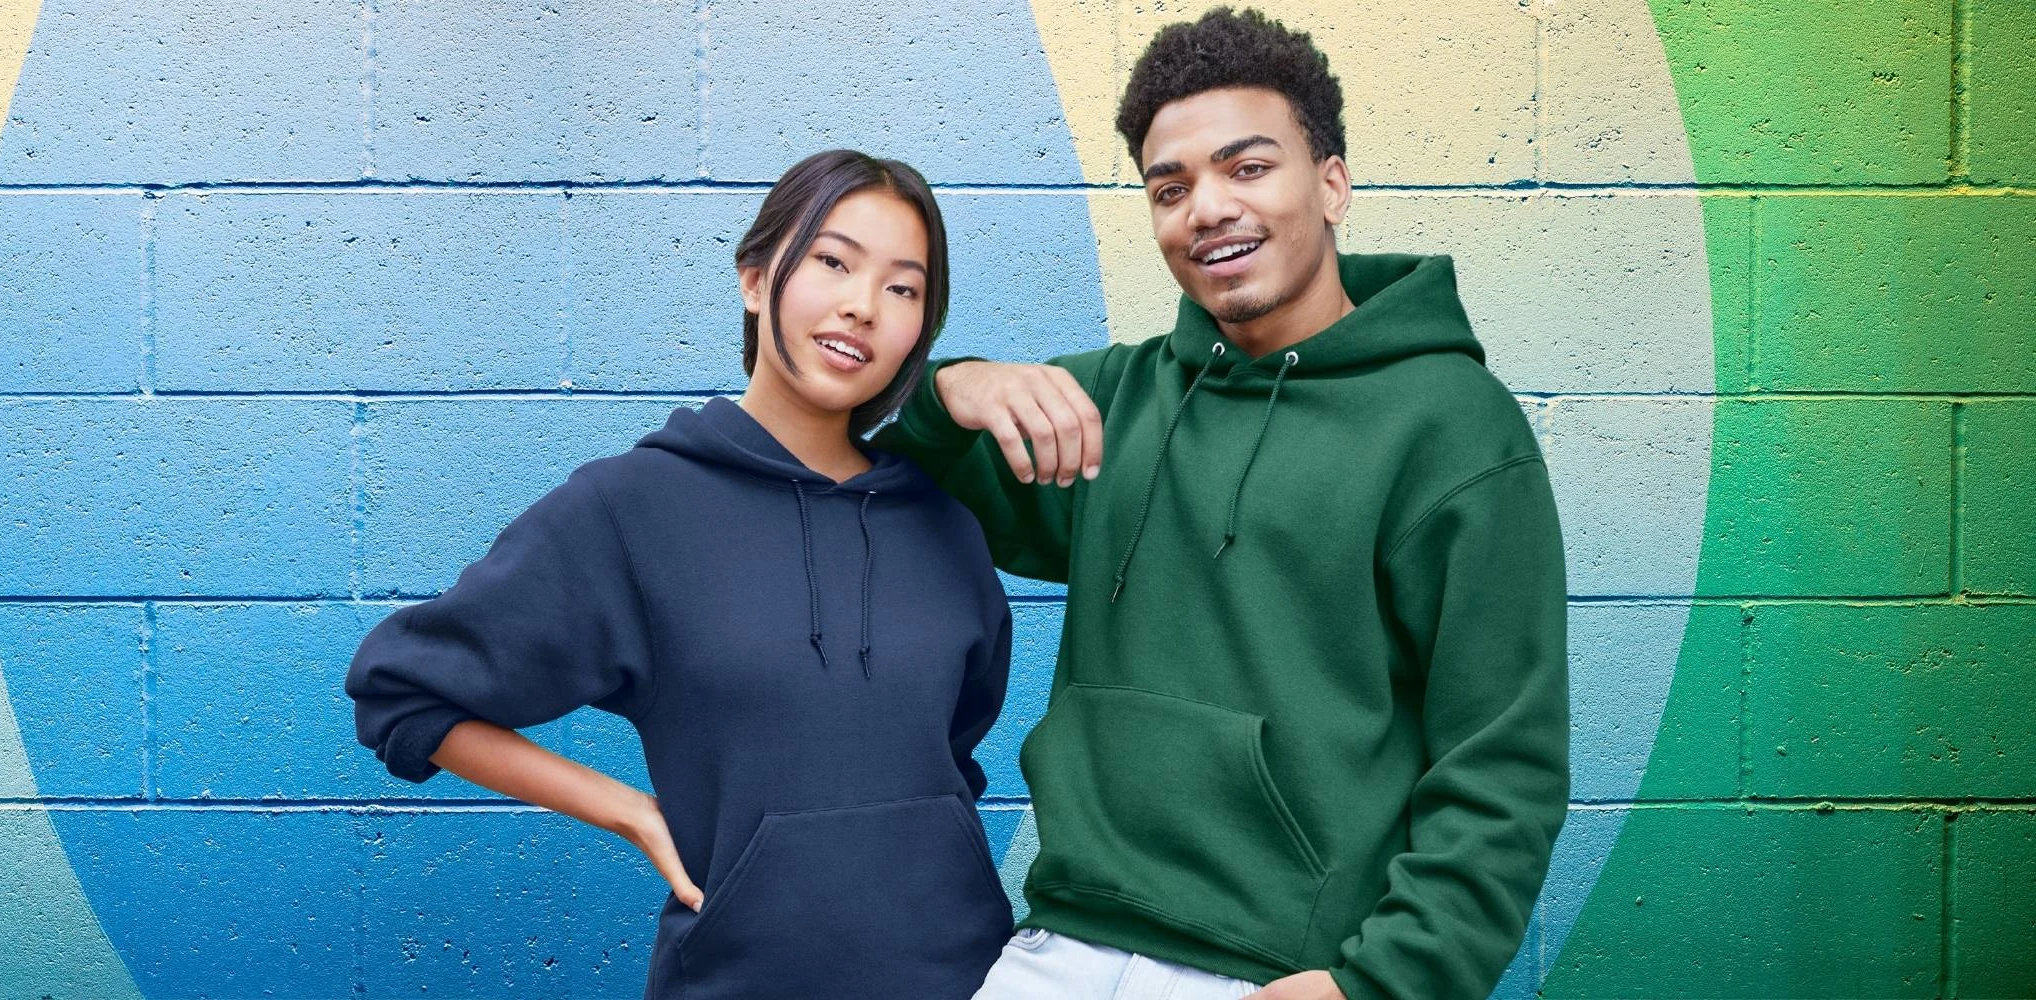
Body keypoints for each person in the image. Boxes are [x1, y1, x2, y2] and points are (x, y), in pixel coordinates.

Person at [870, 9, 1571, 1000]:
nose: (1206, 208)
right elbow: (862, 459)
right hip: (1056, 946)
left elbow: (1504, 767)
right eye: (1171, 187)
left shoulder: (1454, 430)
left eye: (1247, 168)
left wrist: (1379, 985)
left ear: (1332, 183)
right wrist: (951, 389)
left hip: (1275, 975)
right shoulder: (1114, 401)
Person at [346, 149, 1015, 998]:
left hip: (965, 977)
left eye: (903, 288)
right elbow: (399, 692)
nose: (862, 305)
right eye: (833, 262)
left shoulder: (945, 525)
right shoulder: (633, 508)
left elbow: (950, 761)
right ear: (754, 278)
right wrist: (629, 812)